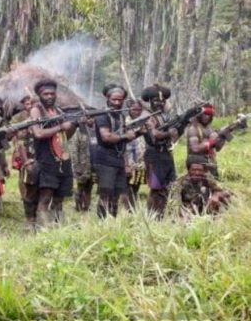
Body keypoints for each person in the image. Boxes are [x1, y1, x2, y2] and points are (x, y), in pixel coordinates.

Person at [29, 79, 76, 227]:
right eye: (46, 94)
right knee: (45, 197)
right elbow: (38, 133)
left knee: (59, 198)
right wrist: (61, 127)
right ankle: (43, 230)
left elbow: (65, 137)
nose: (49, 96)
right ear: (39, 95)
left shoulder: (59, 111)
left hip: (62, 159)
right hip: (46, 161)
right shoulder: (36, 110)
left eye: (52, 94)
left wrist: (74, 125)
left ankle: (58, 229)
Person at [93, 84, 134, 219]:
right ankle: (102, 224)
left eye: (120, 100)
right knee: (106, 193)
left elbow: (124, 140)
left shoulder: (121, 116)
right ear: (107, 98)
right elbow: (106, 137)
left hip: (118, 159)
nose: (117, 103)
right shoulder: (102, 115)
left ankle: (113, 223)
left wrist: (137, 133)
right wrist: (125, 136)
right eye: (114, 99)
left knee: (117, 194)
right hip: (105, 160)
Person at [142, 83, 178, 217]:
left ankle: (161, 214)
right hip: (154, 155)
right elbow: (155, 135)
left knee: (169, 186)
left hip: (166, 153)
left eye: (162, 101)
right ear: (151, 101)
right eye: (156, 100)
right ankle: (152, 216)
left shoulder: (164, 116)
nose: (159, 103)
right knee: (155, 188)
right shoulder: (147, 116)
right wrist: (170, 133)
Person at [185, 104, 240, 178]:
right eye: (204, 114)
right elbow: (195, 148)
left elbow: (218, 148)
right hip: (197, 164)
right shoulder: (194, 128)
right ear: (199, 115)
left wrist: (225, 134)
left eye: (209, 115)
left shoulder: (209, 129)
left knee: (215, 185)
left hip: (210, 162)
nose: (206, 117)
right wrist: (211, 141)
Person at [11, 95, 39, 228]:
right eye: (27, 104)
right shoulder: (18, 118)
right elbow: (16, 137)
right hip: (25, 155)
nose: (30, 106)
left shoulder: (42, 114)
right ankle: (29, 218)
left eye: (32, 104)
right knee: (27, 185)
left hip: (41, 155)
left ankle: (39, 215)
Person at [71, 117, 95, 213]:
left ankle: (87, 207)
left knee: (89, 187)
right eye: (88, 118)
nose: (90, 120)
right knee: (80, 187)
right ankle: (78, 206)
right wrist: (76, 166)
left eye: (92, 118)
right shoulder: (79, 131)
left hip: (93, 164)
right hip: (82, 165)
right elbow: (74, 150)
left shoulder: (96, 130)